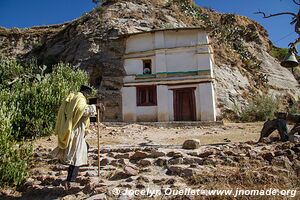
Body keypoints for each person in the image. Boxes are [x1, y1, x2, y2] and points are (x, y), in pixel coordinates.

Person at [51, 85, 97, 189]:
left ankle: (70, 177)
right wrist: (95, 107)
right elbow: (82, 111)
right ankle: (70, 181)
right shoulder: (80, 98)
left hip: (71, 128)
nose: (87, 97)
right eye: (87, 95)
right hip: (76, 130)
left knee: (84, 149)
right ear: (85, 93)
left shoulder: (72, 97)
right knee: (77, 156)